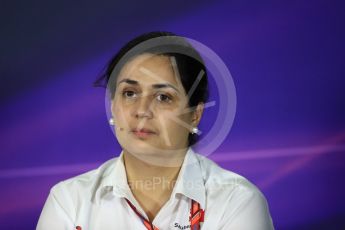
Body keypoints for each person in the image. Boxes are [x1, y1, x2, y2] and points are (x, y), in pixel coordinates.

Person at [37, 31, 274, 230]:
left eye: (163, 97)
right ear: (113, 105)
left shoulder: (236, 202)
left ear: (195, 113)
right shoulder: (69, 202)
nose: (142, 110)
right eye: (129, 93)